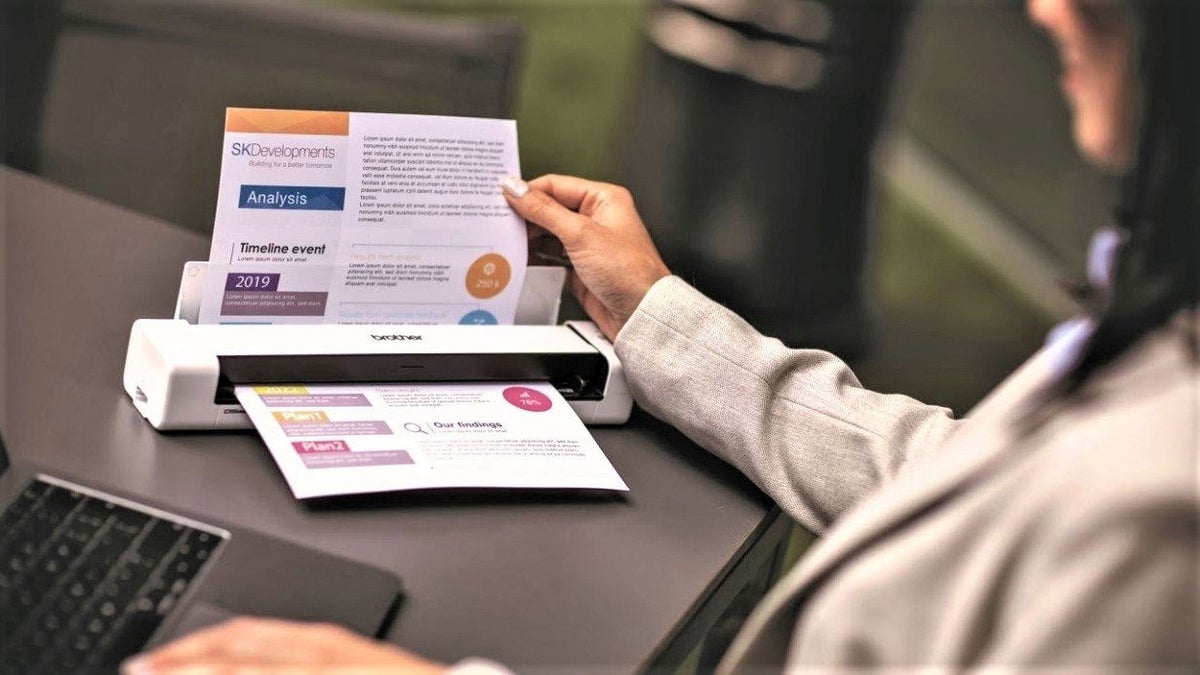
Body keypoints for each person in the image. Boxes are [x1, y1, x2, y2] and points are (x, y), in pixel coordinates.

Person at [123, 1, 1197, 672]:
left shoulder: (1166, 504)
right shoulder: (1162, 343)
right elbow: (955, 468)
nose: (1048, 9)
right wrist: (655, 312)